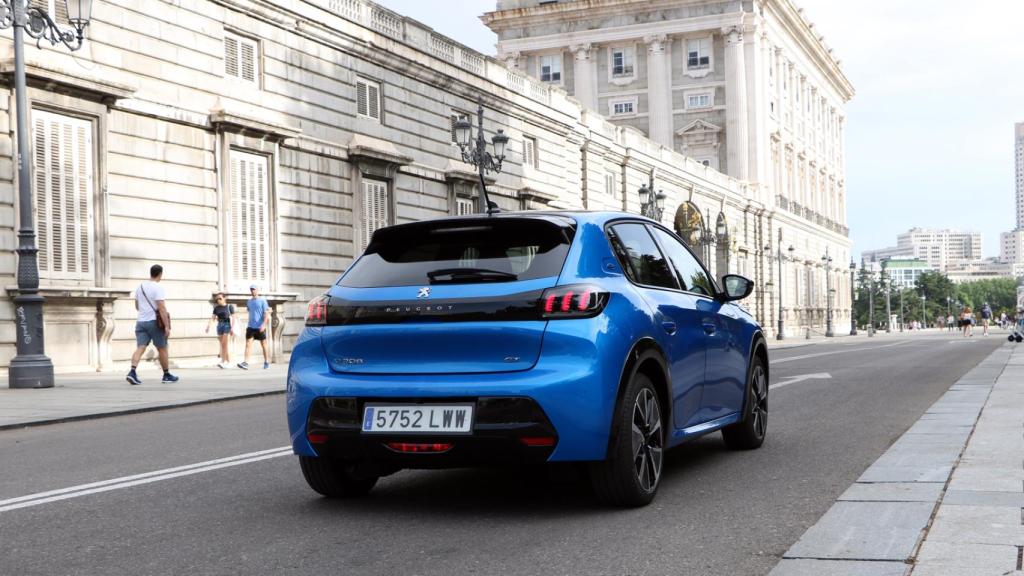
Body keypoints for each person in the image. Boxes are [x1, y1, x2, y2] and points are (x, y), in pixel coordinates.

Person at [126, 264, 178, 385]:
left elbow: (137, 306)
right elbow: (161, 308)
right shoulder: (158, 288)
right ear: (160, 274)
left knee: (140, 347)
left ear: (150, 273)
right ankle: (166, 375)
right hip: (154, 322)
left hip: (141, 322)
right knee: (162, 348)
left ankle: (132, 372)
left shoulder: (140, 287)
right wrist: (166, 326)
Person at [238, 284, 271, 370]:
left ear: (257, 290)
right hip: (251, 326)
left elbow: (266, 314)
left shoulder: (263, 301)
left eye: (254, 289)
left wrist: (263, 325)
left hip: (260, 327)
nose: (252, 291)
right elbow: (250, 312)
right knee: (248, 344)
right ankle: (246, 362)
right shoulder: (249, 302)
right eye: (251, 289)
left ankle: (267, 361)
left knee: (263, 344)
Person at [205, 293, 235, 369]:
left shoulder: (229, 307)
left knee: (225, 344)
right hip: (219, 326)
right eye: (217, 299)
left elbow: (234, 318)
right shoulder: (216, 308)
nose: (218, 300)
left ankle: (229, 362)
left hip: (227, 325)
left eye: (220, 298)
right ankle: (224, 361)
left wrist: (232, 328)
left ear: (224, 298)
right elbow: (213, 318)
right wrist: (208, 326)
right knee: (222, 345)